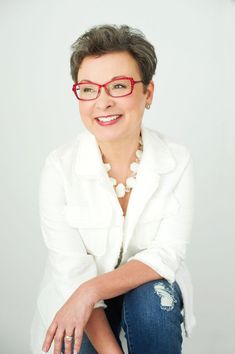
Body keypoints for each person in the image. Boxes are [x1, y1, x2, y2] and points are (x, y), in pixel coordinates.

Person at [30, 24, 196, 354]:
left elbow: (167, 254)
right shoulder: (59, 168)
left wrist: (90, 289)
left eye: (118, 86)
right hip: (77, 305)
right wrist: (87, 299)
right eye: (89, 89)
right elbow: (70, 272)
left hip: (144, 298)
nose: (102, 102)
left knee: (153, 301)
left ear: (147, 93)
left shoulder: (177, 159)